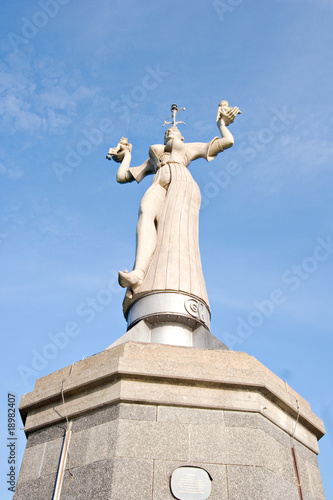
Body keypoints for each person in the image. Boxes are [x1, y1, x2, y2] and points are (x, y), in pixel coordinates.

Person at [107, 101, 240, 296]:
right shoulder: (155, 159)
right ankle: (138, 273)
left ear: (182, 137)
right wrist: (126, 154)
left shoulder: (188, 149)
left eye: (175, 132)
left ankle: (174, 280)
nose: (170, 131)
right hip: (158, 183)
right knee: (145, 212)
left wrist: (222, 125)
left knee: (174, 229)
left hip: (181, 183)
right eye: (167, 133)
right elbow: (122, 177)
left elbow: (228, 142)